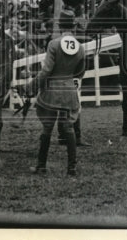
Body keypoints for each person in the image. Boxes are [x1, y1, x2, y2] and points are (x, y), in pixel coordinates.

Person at [27, 9, 85, 177]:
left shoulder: (53, 44)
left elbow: (45, 71)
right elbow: (80, 73)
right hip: (69, 91)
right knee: (69, 128)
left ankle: (41, 165)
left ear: (60, 26)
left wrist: (32, 85)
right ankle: (71, 168)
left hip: (51, 91)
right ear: (73, 27)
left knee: (47, 128)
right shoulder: (80, 47)